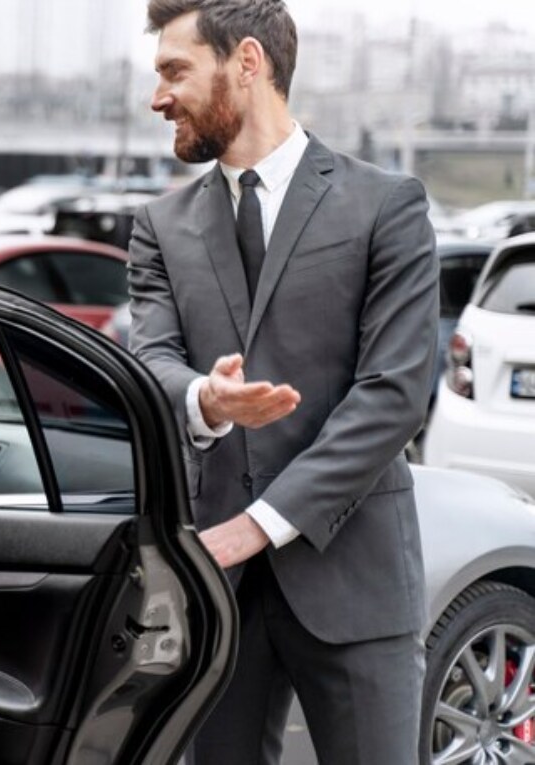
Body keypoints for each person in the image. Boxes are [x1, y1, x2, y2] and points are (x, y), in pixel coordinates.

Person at [128, 1, 438, 763]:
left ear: (247, 63)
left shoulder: (386, 206)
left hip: (353, 577)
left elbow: (394, 393)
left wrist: (261, 523)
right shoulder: (159, 225)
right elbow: (154, 363)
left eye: (175, 71)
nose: (157, 97)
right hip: (216, 594)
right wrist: (205, 398)